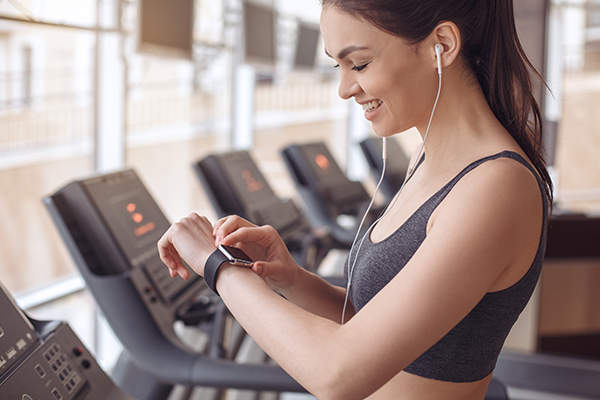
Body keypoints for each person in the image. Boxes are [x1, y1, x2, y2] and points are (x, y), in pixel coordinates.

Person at [158, 0, 553, 399]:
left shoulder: (496, 188)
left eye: (359, 64)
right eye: (338, 66)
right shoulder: (430, 159)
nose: (346, 89)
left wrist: (217, 267)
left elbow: (338, 374)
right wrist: (294, 281)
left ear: (443, 45)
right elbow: (379, 331)